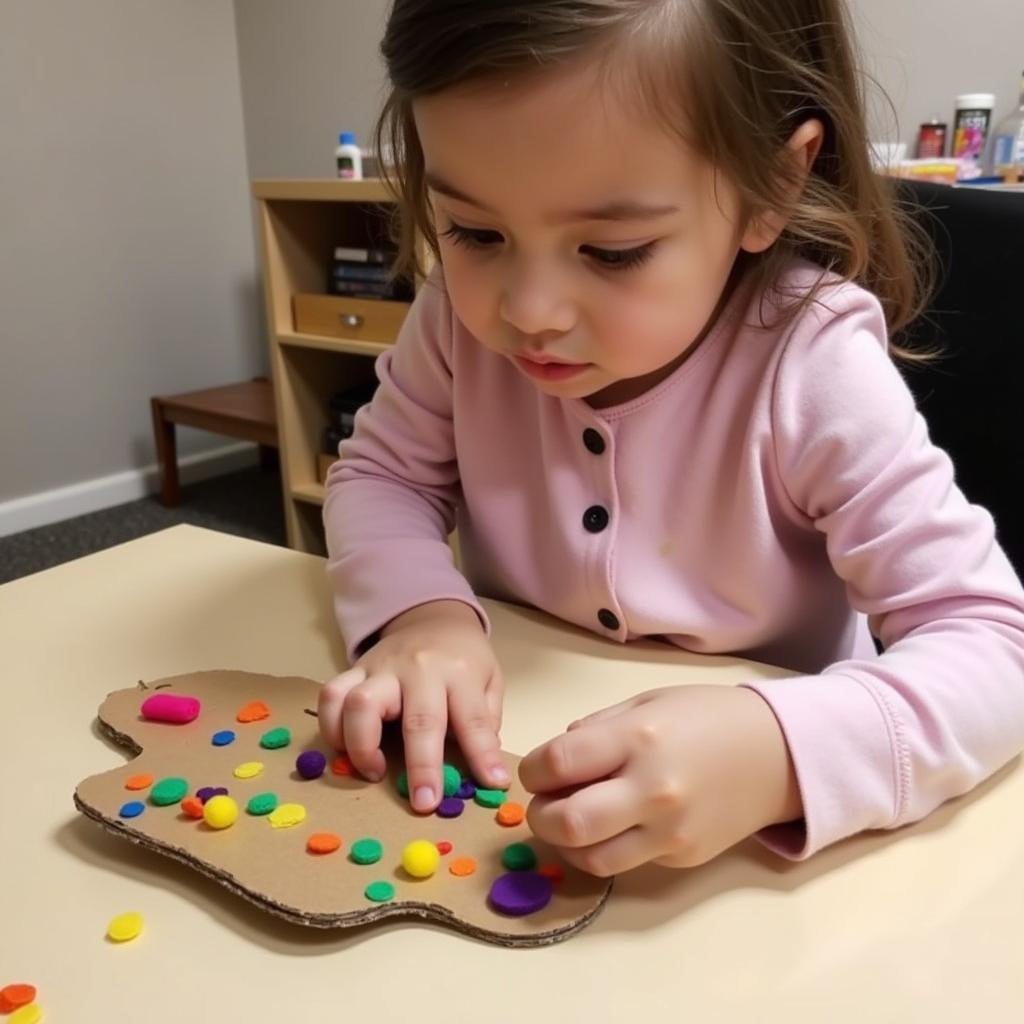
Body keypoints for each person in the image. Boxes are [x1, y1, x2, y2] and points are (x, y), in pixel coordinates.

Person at [317, 0, 1024, 876]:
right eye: (474, 232)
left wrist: (779, 753)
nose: (528, 312)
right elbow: (381, 475)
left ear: (771, 186)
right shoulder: (458, 329)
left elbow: (994, 643)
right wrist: (419, 614)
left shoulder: (811, 364)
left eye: (613, 251)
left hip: (763, 879)